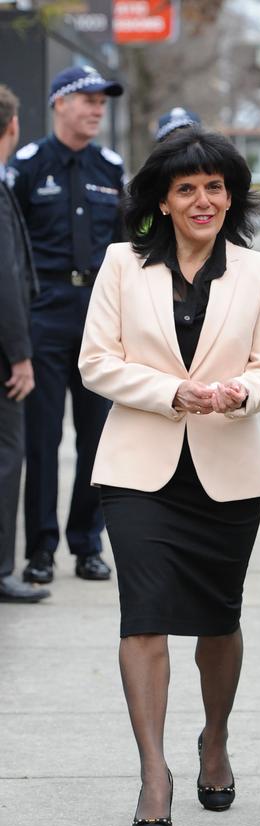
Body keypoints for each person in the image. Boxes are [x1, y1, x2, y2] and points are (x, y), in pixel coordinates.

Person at [78, 128, 260, 826]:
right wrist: (173, 392)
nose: (204, 200)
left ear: (232, 195)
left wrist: (239, 394)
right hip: (138, 470)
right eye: (188, 189)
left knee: (218, 619)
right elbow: (96, 362)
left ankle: (216, 738)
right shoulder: (121, 265)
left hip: (227, 473)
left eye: (216, 187)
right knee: (143, 616)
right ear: (162, 202)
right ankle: (154, 773)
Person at [8, 66, 124, 586]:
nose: (97, 109)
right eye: (87, 100)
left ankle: (87, 544)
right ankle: (40, 548)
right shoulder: (28, 166)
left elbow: (125, 251)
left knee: (98, 438)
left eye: (102, 102)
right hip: (45, 312)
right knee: (42, 437)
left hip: (98, 315)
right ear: (59, 103)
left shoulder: (111, 167)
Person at [0, 84, 49, 604]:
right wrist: (20, 355)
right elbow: (6, 281)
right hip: (3, 355)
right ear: (12, 127)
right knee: (8, 456)